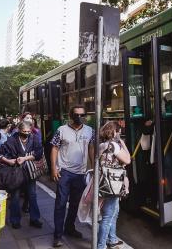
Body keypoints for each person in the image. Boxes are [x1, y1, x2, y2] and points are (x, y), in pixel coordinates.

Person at [50, 105, 94, 247]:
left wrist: (93, 168)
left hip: (81, 173)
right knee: (61, 204)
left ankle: (69, 228)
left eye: (83, 114)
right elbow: (54, 148)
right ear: (71, 116)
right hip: (64, 172)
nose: (80, 117)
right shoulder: (61, 130)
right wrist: (53, 168)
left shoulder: (89, 131)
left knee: (75, 204)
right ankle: (57, 236)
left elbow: (91, 148)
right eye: (77, 115)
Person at [0, 121, 43, 229]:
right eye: (23, 131)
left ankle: (34, 218)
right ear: (19, 131)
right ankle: (15, 220)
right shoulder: (12, 140)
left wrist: (25, 158)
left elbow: (39, 153)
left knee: (32, 194)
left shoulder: (34, 138)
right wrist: (8, 160)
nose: (26, 133)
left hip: (30, 171)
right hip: (16, 172)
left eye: (28, 131)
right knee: (15, 196)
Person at [97, 121, 130, 249]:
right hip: (113, 182)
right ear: (115, 132)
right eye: (119, 130)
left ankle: (112, 239)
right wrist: (122, 143)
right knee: (108, 215)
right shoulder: (114, 146)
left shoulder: (101, 145)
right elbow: (127, 159)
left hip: (104, 182)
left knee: (113, 211)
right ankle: (101, 246)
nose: (120, 133)